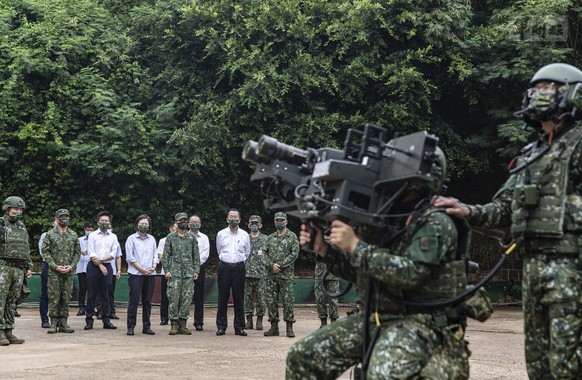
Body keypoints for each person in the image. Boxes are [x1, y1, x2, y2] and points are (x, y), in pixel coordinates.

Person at [434, 63, 582, 380]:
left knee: (570, 367)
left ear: (572, 94)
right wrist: (466, 211)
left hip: (574, 273)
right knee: (540, 366)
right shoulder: (531, 155)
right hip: (536, 274)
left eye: (547, 88)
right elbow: (503, 210)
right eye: (534, 89)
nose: (537, 95)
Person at [286, 148, 472, 379]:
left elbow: (410, 274)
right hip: (377, 316)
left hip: (423, 322)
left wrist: (356, 246)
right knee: (302, 356)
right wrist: (325, 250)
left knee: (383, 373)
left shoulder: (436, 221)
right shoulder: (384, 219)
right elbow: (362, 272)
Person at [42, 209, 81, 334]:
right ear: (57, 219)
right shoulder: (50, 234)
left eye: (66, 217)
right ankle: (53, 322)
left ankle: (64, 322)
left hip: (68, 271)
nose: (64, 219)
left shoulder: (74, 235)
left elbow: (77, 253)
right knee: (54, 297)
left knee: (66, 296)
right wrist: (54, 266)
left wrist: (72, 266)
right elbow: (45, 251)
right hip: (54, 271)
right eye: (62, 217)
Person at [0, 196, 32, 346]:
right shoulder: (1, 224)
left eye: (20, 209)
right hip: (4, 266)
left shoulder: (22, 226)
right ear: (7, 209)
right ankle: (0, 332)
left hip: (18, 268)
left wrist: (28, 266)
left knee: (12, 302)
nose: (18, 212)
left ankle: (8, 330)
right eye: (15, 209)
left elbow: (26, 247)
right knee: (1, 300)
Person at [262, 212, 299, 338]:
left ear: (286, 222)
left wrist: (280, 265)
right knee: (271, 301)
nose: (279, 222)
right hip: (271, 275)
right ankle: (274, 327)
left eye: (281, 220)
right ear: (274, 222)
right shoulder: (270, 238)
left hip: (286, 276)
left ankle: (289, 327)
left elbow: (294, 253)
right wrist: (271, 265)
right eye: (277, 220)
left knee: (288, 301)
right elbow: (263, 254)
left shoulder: (292, 236)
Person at [162, 213, 200, 335]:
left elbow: (196, 256)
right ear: (177, 222)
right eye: (181, 220)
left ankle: (183, 324)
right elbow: (166, 255)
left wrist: (196, 270)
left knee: (186, 299)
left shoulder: (191, 237)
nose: (183, 222)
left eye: (185, 220)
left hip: (188, 273)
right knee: (173, 298)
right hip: (174, 273)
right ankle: (173, 324)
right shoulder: (170, 237)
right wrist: (166, 270)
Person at [215, 208, 250, 336]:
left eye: (236, 216)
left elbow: (247, 252)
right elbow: (219, 251)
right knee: (222, 297)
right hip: (224, 267)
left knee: (239, 297)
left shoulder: (245, 235)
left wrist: (238, 261)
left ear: (239, 219)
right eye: (231, 216)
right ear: (227, 219)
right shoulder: (221, 234)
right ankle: (221, 326)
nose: (233, 218)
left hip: (239, 268)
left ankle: (239, 327)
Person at [85, 211, 119, 330]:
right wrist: (100, 265)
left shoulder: (113, 237)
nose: (104, 222)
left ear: (109, 223)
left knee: (106, 295)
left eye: (106, 221)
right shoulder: (93, 235)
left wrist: (102, 262)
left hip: (108, 266)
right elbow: (91, 252)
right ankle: (89, 321)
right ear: (98, 222)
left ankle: (106, 320)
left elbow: (113, 253)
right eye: (102, 220)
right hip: (93, 267)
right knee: (91, 294)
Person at [125, 214, 157, 336]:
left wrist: (153, 267)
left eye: (146, 224)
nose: (144, 225)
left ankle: (146, 326)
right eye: (141, 223)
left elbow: (155, 255)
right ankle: (131, 326)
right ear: (137, 224)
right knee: (134, 300)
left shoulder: (152, 239)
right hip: (136, 274)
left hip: (150, 273)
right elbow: (130, 258)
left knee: (147, 301)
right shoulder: (131, 239)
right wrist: (142, 270)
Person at [244, 215, 267, 331]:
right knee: (247, 299)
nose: (254, 225)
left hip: (261, 274)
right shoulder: (244, 238)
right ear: (248, 225)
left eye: (256, 223)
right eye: (252, 223)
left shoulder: (266, 239)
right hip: (246, 274)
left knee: (261, 299)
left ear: (260, 225)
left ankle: (259, 321)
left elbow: (270, 256)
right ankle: (248, 321)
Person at [189, 215, 210, 331]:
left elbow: (204, 255)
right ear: (188, 224)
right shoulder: (182, 236)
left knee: (198, 296)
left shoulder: (204, 238)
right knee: (182, 296)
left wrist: (195, 267)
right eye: (192, 222)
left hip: (199, 268)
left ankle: (198, 322)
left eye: (197, 222)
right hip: (184, 269)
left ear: (200, 224)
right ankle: (179, 321)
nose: (194, 224)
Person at [156, 221, 176, 325]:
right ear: (170, 229)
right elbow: (160, 256)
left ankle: (176, 318)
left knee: (178, 296)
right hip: (166, 272)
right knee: (165, 296)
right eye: (174, 228)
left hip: (179, 273)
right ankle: (164, 317)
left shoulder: (184, 240)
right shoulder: (163, 241)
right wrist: (167, 268)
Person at [38, 217, 57, 328]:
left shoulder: (68, 235)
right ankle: (44, 319)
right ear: (52, 222)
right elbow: (43, 251)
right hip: (48, 266)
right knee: (45, 293)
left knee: (59, 294)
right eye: (56, 220)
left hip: (62, 267)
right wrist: (53, 263)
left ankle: (58, 319)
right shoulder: (45, 235)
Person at [76, 222, 94, 316]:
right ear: (84, 229)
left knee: (93, 289)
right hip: (82, 267)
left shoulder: (95, 239)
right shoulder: (79, 240)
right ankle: (81, 307)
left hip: (92, 267)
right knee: (82, 288)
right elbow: (75, 251)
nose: (89, 231)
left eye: (91, 230)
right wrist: (80, 252)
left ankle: (91, 307)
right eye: (87, 230)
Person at [314, 261, 339, 329]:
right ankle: (323, 322)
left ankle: (334, 322)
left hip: (333, 274)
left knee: (333, 300)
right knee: (320, 298)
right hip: (320, 273)